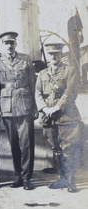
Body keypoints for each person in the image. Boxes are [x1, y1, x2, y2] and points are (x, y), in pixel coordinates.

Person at [0, 32, 37, 190]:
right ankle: (18, 176)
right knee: (14, 144)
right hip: (7, 108)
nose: (9, 46)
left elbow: (33, 83)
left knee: (27, 144)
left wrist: (35, 107)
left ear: (16, 44)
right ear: (2, 45)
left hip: (25, 106)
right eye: (6, 43)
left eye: (12, 43)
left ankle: (27, 178)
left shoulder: (25, 59)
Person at [35, 43, 83, 192]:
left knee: (69, 149)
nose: (54, 57)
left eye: (56, 53)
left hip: (66, 116)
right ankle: (61, 179)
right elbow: (37, 93)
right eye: (51, 54)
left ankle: (71, 181)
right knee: (56, 149)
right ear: (48, 56)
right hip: (49, 117)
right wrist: (45, 108)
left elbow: (70, 92)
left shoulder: (70, 71)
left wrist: (57, 107)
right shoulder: (42, 74)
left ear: (61, 54)